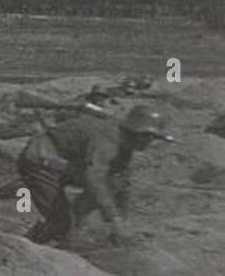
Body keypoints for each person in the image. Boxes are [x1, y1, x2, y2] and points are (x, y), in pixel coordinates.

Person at [17, 104, 173, 246]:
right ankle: (21, 248)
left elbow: (122, 184)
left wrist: (121, 225)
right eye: (150, 138)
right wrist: (114, 219)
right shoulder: (108, 140)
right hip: (39, 160)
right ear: (140, 133)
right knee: (60, 222)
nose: (150, 143)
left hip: (66, 162)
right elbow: (95, 179)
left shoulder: (125, 143)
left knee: (114, 182)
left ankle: (73, 226)